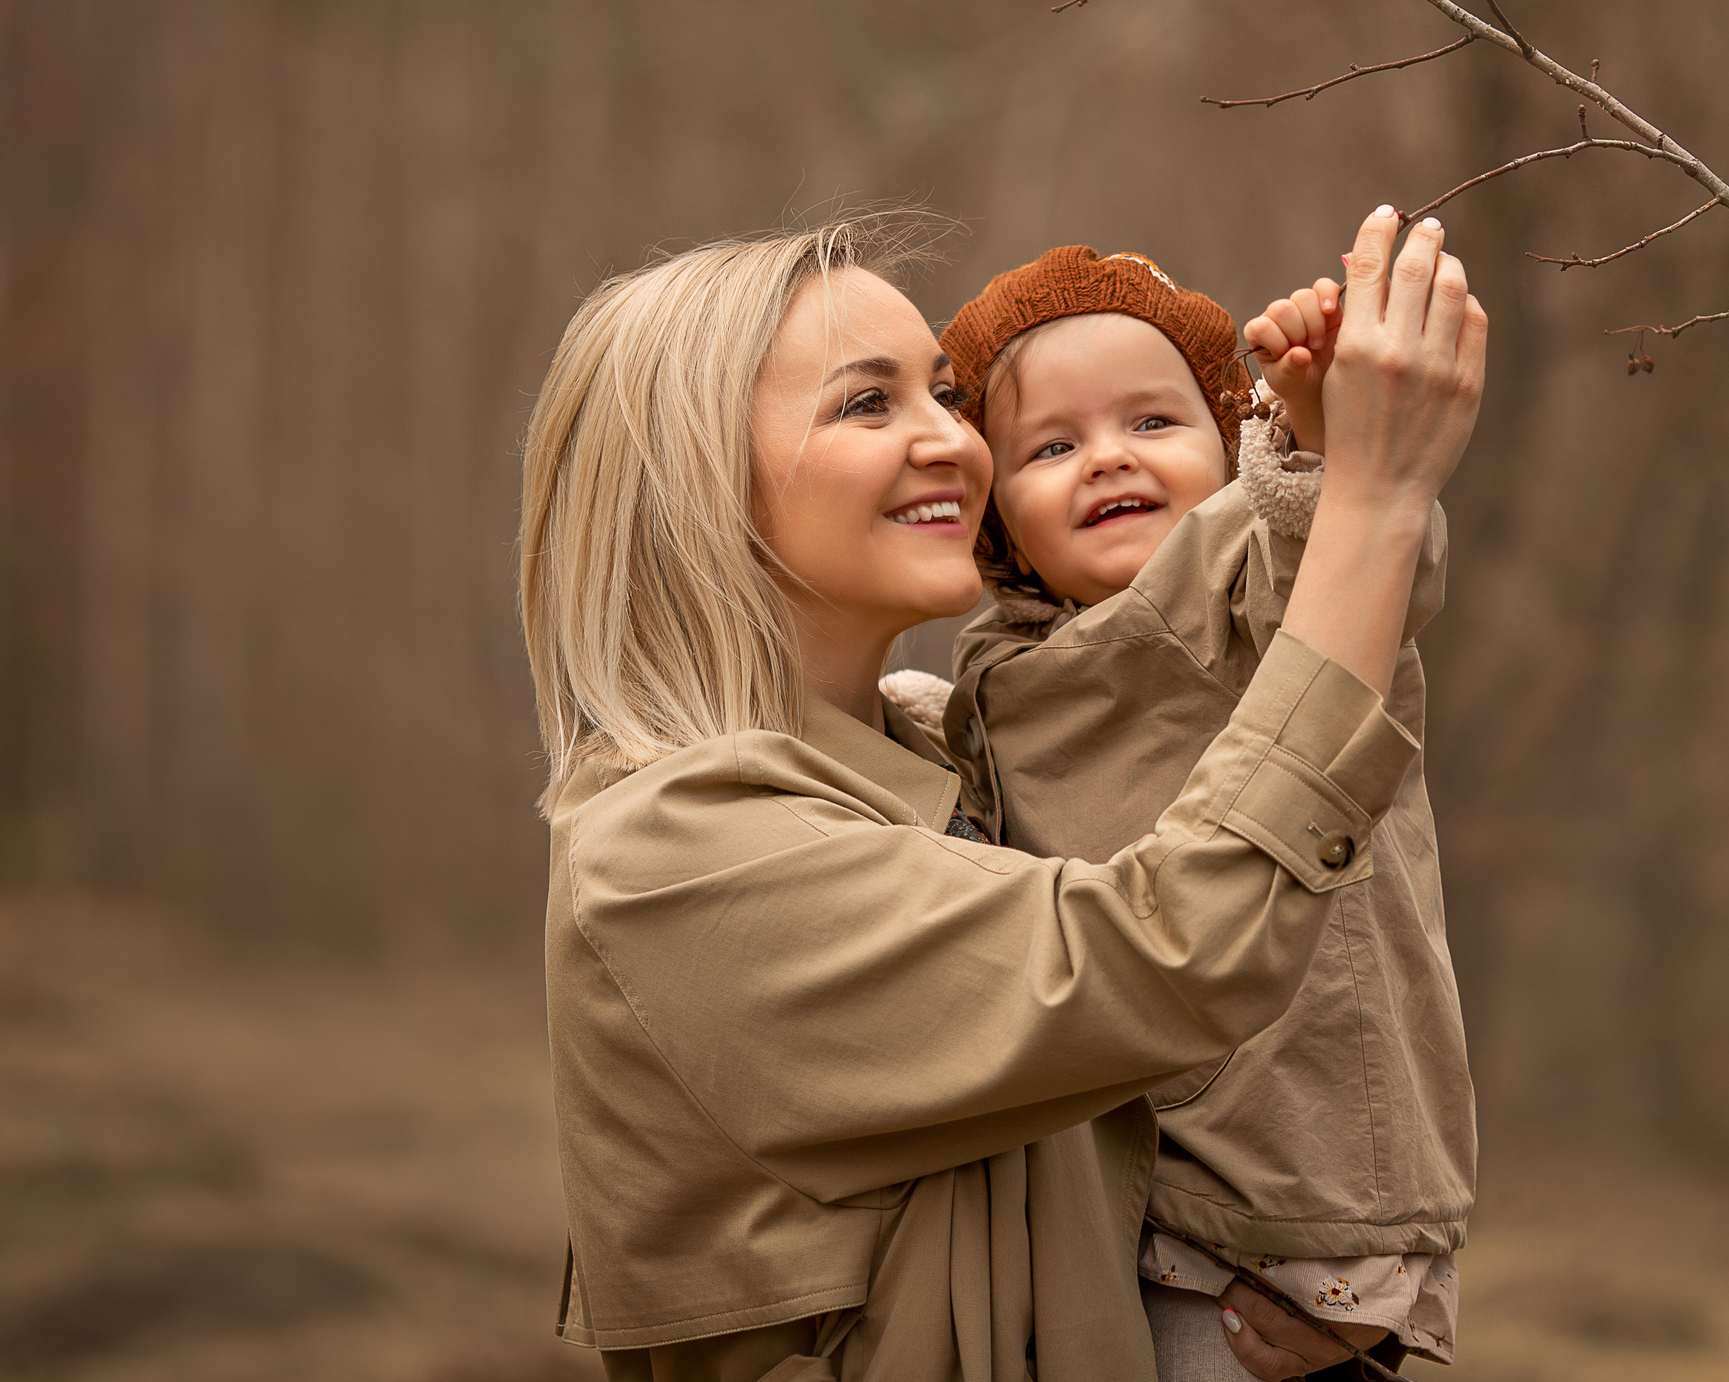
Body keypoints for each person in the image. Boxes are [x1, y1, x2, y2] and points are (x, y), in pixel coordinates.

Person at [520, 207, 1485, 1382]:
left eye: (944, 393)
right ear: (692, 483)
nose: (956, 444)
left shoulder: (951, 748)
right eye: (868, 403)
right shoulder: (675, 854)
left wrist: (1306, 1286)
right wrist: (1372, 506)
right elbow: (1161, 959)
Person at [928, 211, 1472, 1378]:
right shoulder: (992, 668)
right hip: (1126, 1187)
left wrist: (1324, 446)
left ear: (1230, 444)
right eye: (1050, 447)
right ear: (996, 522)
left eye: (1153, 421)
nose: (1109, 457)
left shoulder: (1238, 570)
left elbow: (1366, 569)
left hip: (1294, 1194)